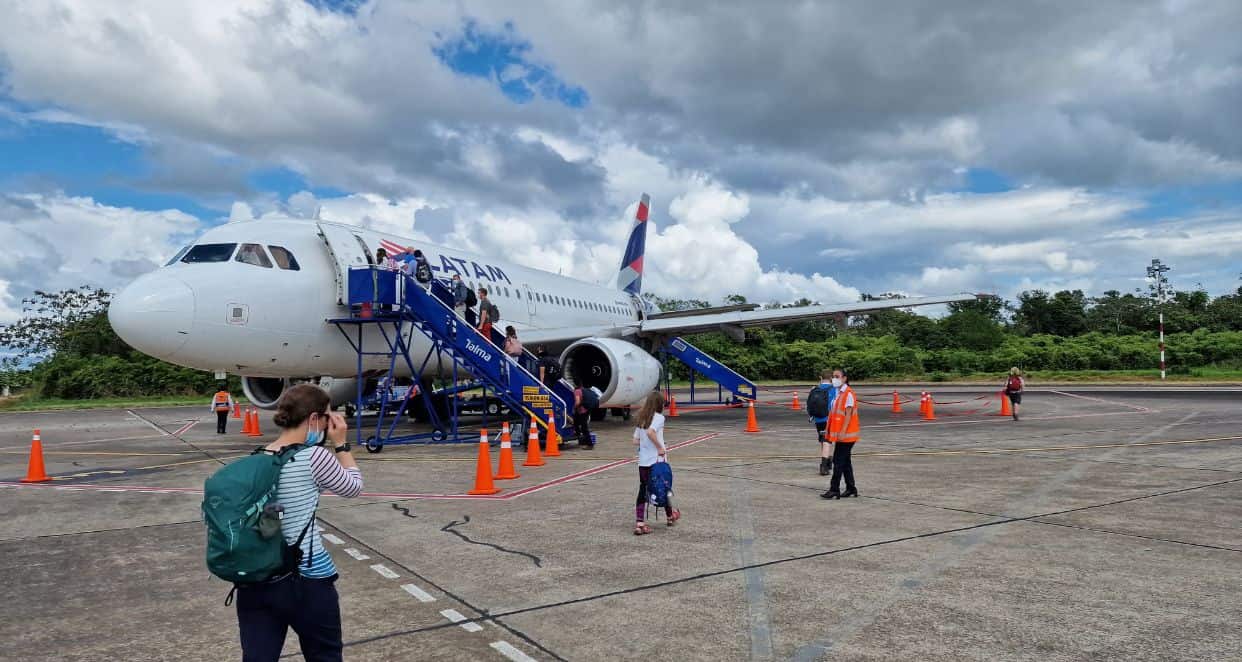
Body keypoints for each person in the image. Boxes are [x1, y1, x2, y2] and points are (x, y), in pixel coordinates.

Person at [235, 384, 362, 661]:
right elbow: (353, 487)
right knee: (324, 655)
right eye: (328, 417)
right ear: (314, 419)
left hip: (257, 581)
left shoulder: (257, 457)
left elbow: (270, 517)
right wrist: (341, 444)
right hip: (307, 579)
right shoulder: (314, 456)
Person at [632, 391, 679, 534]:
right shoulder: (659, 417)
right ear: (659, 404)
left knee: (643, 489)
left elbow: (635, 440)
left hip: (643, 462)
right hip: (656, 461)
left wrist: (647, 444)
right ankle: (670, 516)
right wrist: (659, 447)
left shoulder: (642, 418)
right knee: (663, 487)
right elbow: (651, 432)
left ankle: (640, 523)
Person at [821, 369, 859, 499]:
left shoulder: (848, 394)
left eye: (837, 376)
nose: (834, 379)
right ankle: (851, 488)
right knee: (845, 462)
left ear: (844, 378)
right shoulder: (838, 393)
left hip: (847, 436)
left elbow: (848, 415)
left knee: (838, 461)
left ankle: (834, 489)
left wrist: (842, 432)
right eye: (833, 376)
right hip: (841, 435)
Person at [805, 370, 837, 475]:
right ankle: (824, 465)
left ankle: (827, 460)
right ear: (832, 378)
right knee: (828, 441)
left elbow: (808, 405)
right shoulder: (834, 389)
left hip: (818, 419)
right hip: (829, 418)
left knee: (823, 440)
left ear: (820, 378)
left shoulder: (814, 389)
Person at [572, 380, 594, 450]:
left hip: (582, 410)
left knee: (584, 428)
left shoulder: (577, 391)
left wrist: (574, 407)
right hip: (586, 410)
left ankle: (590, 444)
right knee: (575, 422)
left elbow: (578, 402)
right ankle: (580, 437)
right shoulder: (583, 389)